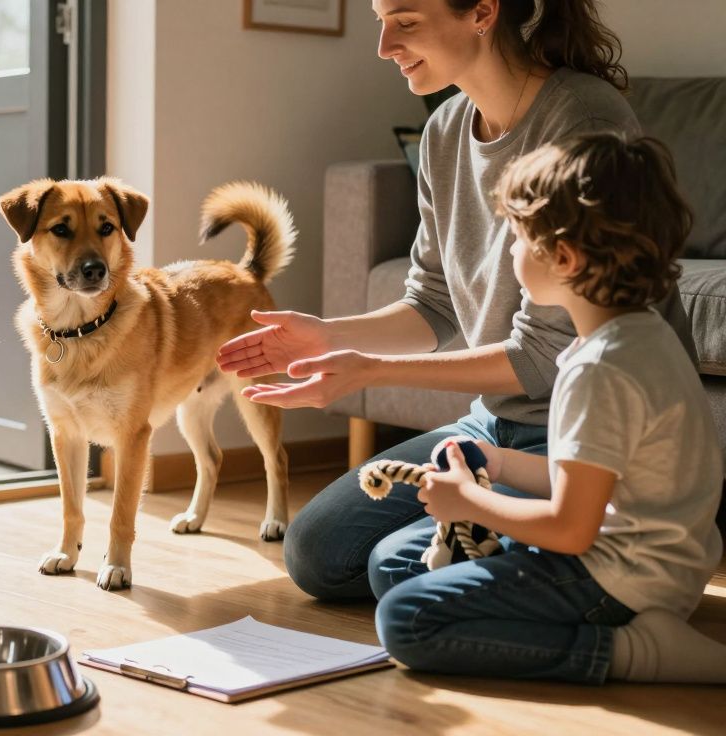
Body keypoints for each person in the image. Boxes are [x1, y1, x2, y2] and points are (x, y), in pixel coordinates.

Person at [215, 0, 697, 600]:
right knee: (318, 551)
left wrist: (368, 371)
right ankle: (508, 547)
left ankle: (563, 556)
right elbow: (435, 301)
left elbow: (543, 354)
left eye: (407, 21)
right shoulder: (445, 132)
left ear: (482, 13)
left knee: (390, 565)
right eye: (380, 20)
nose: (385, 45)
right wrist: (331, 335)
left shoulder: (581, 118)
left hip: (585, 432)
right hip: (498, 426)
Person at [373, 132, 726, 684]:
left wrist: (471, 501)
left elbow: (570, 528)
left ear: (562, 257)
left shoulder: (602, 369)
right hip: (656, 565)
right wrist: (500, 463)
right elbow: (586, 487)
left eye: (516, 238)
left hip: (621, 579)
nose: (509, 250)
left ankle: (639, 651)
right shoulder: (638, 335)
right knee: (393, 565)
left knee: (406, 619)